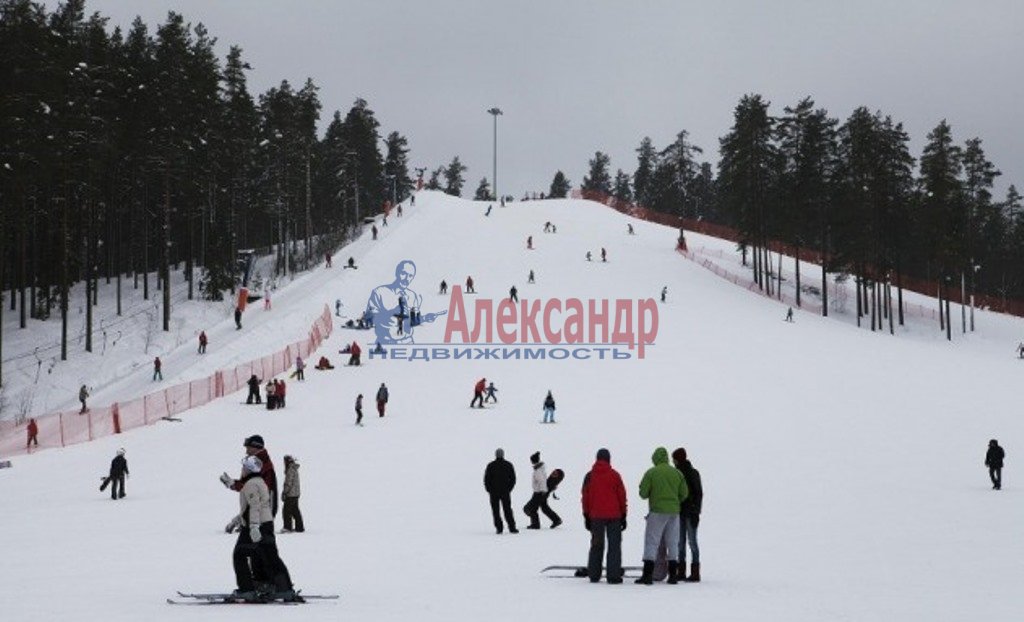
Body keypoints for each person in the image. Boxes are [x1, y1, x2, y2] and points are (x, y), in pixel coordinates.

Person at [227, 454, 296, 602]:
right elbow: (252, 507)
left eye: (244, 467)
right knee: (269, 556)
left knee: (239, 554)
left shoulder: (251, 484)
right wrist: (239, 520)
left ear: (249, 470)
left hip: (258, 526)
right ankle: (281, 587)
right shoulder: (258, 481)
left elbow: (255, 506)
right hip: (264, 524)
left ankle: (247, 589)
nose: (242, 470)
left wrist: (253, 527)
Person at [635, 447, 688, 585]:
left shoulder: (651, 473)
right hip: (674, 512)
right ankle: (673, 576)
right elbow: (684, 494)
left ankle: (647, 575)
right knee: (672, 542)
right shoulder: (677, 474)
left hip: (657, 512)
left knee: (652, 541)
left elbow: (643, 493)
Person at [582, 448, 627, 583]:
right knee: (614, 546)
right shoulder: (615, 475)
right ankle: (613, 575)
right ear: (608, 459)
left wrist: (586, 515)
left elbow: (585, 497)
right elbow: (622, 496)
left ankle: (594, 574)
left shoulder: (589, 476)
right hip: (614, 515)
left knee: (597, 545)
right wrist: (624, 514)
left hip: (596, 516)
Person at [221, 435, 280, 518]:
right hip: (256, 507)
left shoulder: (259, 463)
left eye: (248, 448)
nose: (246, 451)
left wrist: (234, 485)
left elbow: (252, 486)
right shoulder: (253, 461)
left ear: (256, 448)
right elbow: (247, 485)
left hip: (263, 509)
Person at [672, 447, 703, 582]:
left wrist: (695, 510)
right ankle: (692, 572)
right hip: (689, 512)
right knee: (691, 542)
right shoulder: (693, 472)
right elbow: (699, 493)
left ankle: (683, 572)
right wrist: (696, 510)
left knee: (683, 542)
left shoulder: (679, 473)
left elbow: (697, 493)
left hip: (684, 512)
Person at [483, 448, 518, 534]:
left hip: (494, 492)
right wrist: (509, 488)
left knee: (496, 511)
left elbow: (486, 479)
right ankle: (512, 527)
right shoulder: (508, 465)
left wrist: (489, 489)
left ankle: (499, 528)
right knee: (508, 510)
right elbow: (513, 479)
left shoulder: (490, 465)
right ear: (503, 454)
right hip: (505, 491)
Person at [524, 452, 562, 529]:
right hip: (542, 491)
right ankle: (556, 520)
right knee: (544, 507)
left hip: (539, 492)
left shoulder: (538, 470)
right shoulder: (540, 468)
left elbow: (541, 481)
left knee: (531, 508)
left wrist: (543, 491)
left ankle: (535, 525)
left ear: (533, 461)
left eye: (531, 460)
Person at [281, 455, 304, 533]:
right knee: (295, 510)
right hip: (296, 494)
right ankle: (299, 527)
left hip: (291, 494)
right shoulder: (294, 469)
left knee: (286, 511)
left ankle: (287, 527)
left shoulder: (290, 469)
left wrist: (285, 492)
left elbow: (288, 483)